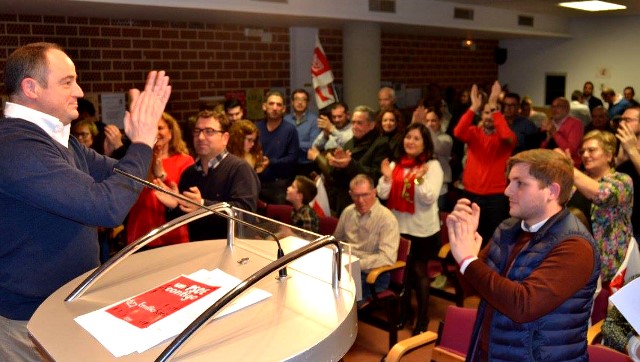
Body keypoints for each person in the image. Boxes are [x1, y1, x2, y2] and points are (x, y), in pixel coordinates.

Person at [0, 42, 170, 361]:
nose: (79, 91)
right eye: (67, 82)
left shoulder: (59, 140)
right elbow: (105, 207)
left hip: (62, 306)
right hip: (26, 323)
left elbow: (121, 175)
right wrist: (142, 143)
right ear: (30, 87)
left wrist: (139, 144)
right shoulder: (15, 146)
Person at [446, 149, 599, 361]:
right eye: (509, 181)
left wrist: (468, 260)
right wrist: (462, 243)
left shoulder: (575, 246)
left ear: (552, 191)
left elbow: (523, 306)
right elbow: (472, 286)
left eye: (520, 183)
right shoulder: (509, 228)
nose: (507, 191)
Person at [377, 123, 443, 335]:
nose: (411, 142)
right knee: (403, 274)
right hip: (398, 227)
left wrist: (420, 178)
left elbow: (429, 197)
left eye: (416, 138)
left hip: (422, 230)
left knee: (419, 272)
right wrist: (387, 177)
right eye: (408, 137)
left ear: (425, 144)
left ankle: (422, 318)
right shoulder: (397, 164)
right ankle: (404, 313)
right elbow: (383, 193)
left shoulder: (432, 166)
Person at [155, 110, 260, 242]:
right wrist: (174, 206)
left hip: (234, 251)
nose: (201, 137)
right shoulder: (189, 174)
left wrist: (203, 205)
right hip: (199, 252)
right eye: (197, 131)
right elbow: (183, 219)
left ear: (225, 138)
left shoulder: (240, 169)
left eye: (209, 131)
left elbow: (245, 215)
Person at [558, 130, 633, 284]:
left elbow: (602, 195)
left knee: (607, 308)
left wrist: (569, 168)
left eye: (591, 150)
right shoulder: (576, 183)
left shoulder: (622, 180)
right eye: (582, 151)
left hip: (609, 268)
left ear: (609, 155)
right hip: (578, 261)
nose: (585, 155)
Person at [453, 81, 516, 247]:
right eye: (486, 112)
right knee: (469, 234)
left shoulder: (507, 137)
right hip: (470, 194)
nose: (489, 116)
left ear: (499, 115)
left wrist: (494, 107)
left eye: (493, 112)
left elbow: (505, 136)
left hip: (496, 197)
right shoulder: (473, 133)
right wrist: (473, 106)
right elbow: (458, 131)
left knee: (492, 237)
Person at [126, 112, 194, 247]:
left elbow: (186, 199)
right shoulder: (137, 160)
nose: (156, 132)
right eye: (152, 128)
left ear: (170, 132)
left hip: (173, 234)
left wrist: (162, 174)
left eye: (160, 128)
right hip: (141, 233)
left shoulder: (185, 161)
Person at [334, 174, 400, 300]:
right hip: (347, 267)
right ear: (350, 194)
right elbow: (335, 240)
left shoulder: (387, 219)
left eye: (365, 195)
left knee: (339, 299)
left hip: (372, 276)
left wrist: (355, 264)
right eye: (356, 195)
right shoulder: (348, 212)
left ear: (374, 192)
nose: (360, 200)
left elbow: (387, 258)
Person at [318, 105, 390, 215]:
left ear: (371, 125)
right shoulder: (350, 143)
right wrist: (336, 166)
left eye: (359, 123)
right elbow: (336, 178)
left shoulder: (381, 144)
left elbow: (376, 177)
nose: (355, 126)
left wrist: (350, 164)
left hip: (365, 205)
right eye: (353, 122)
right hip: (344, 202)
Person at [256, 91, 299, 205]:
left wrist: (271, 162)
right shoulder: (256, 128)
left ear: (284, 109)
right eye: (271, 104)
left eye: (279, 105)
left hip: (280, 185)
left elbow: (293, 158)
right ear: (264, 106)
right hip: (258, 183)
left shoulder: (290, 130)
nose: (275, 108)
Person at [616, 106, 640, 241]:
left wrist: (632, 151)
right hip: (622, 224)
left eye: (627, 120)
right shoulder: (620, 145)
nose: (621, 123)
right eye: (621, 119)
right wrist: (619, 161)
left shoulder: (630, 148)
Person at [284, 89, 320, 176]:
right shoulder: (285, 119)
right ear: (292, 102)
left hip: (307, 165)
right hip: (288, 164)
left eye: (303, 99)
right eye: (297, 99)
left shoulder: (314, 120)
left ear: (307, 103)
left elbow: (313, 144)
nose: (300, 102)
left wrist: (292, 143)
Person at [423, 107, 453, 211]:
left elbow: (436, 147)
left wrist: (426, 129)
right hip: (422, 183)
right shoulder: (419, 140)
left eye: (433, 120)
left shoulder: (446, 139)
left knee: (438, 217)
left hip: (440, 188)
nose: (429, 124)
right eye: (427, 121)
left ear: (440, 121)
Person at [541, 97, 584, 167]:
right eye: (553, 106)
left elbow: (570, 151)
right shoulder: (548, 122)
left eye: (558, 106)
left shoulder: (576, 123)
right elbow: (540, 150)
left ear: (567, 109)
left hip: (568, 164)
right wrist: (546, 138)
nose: (554, 109)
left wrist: (554, 133)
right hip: (547, 163)